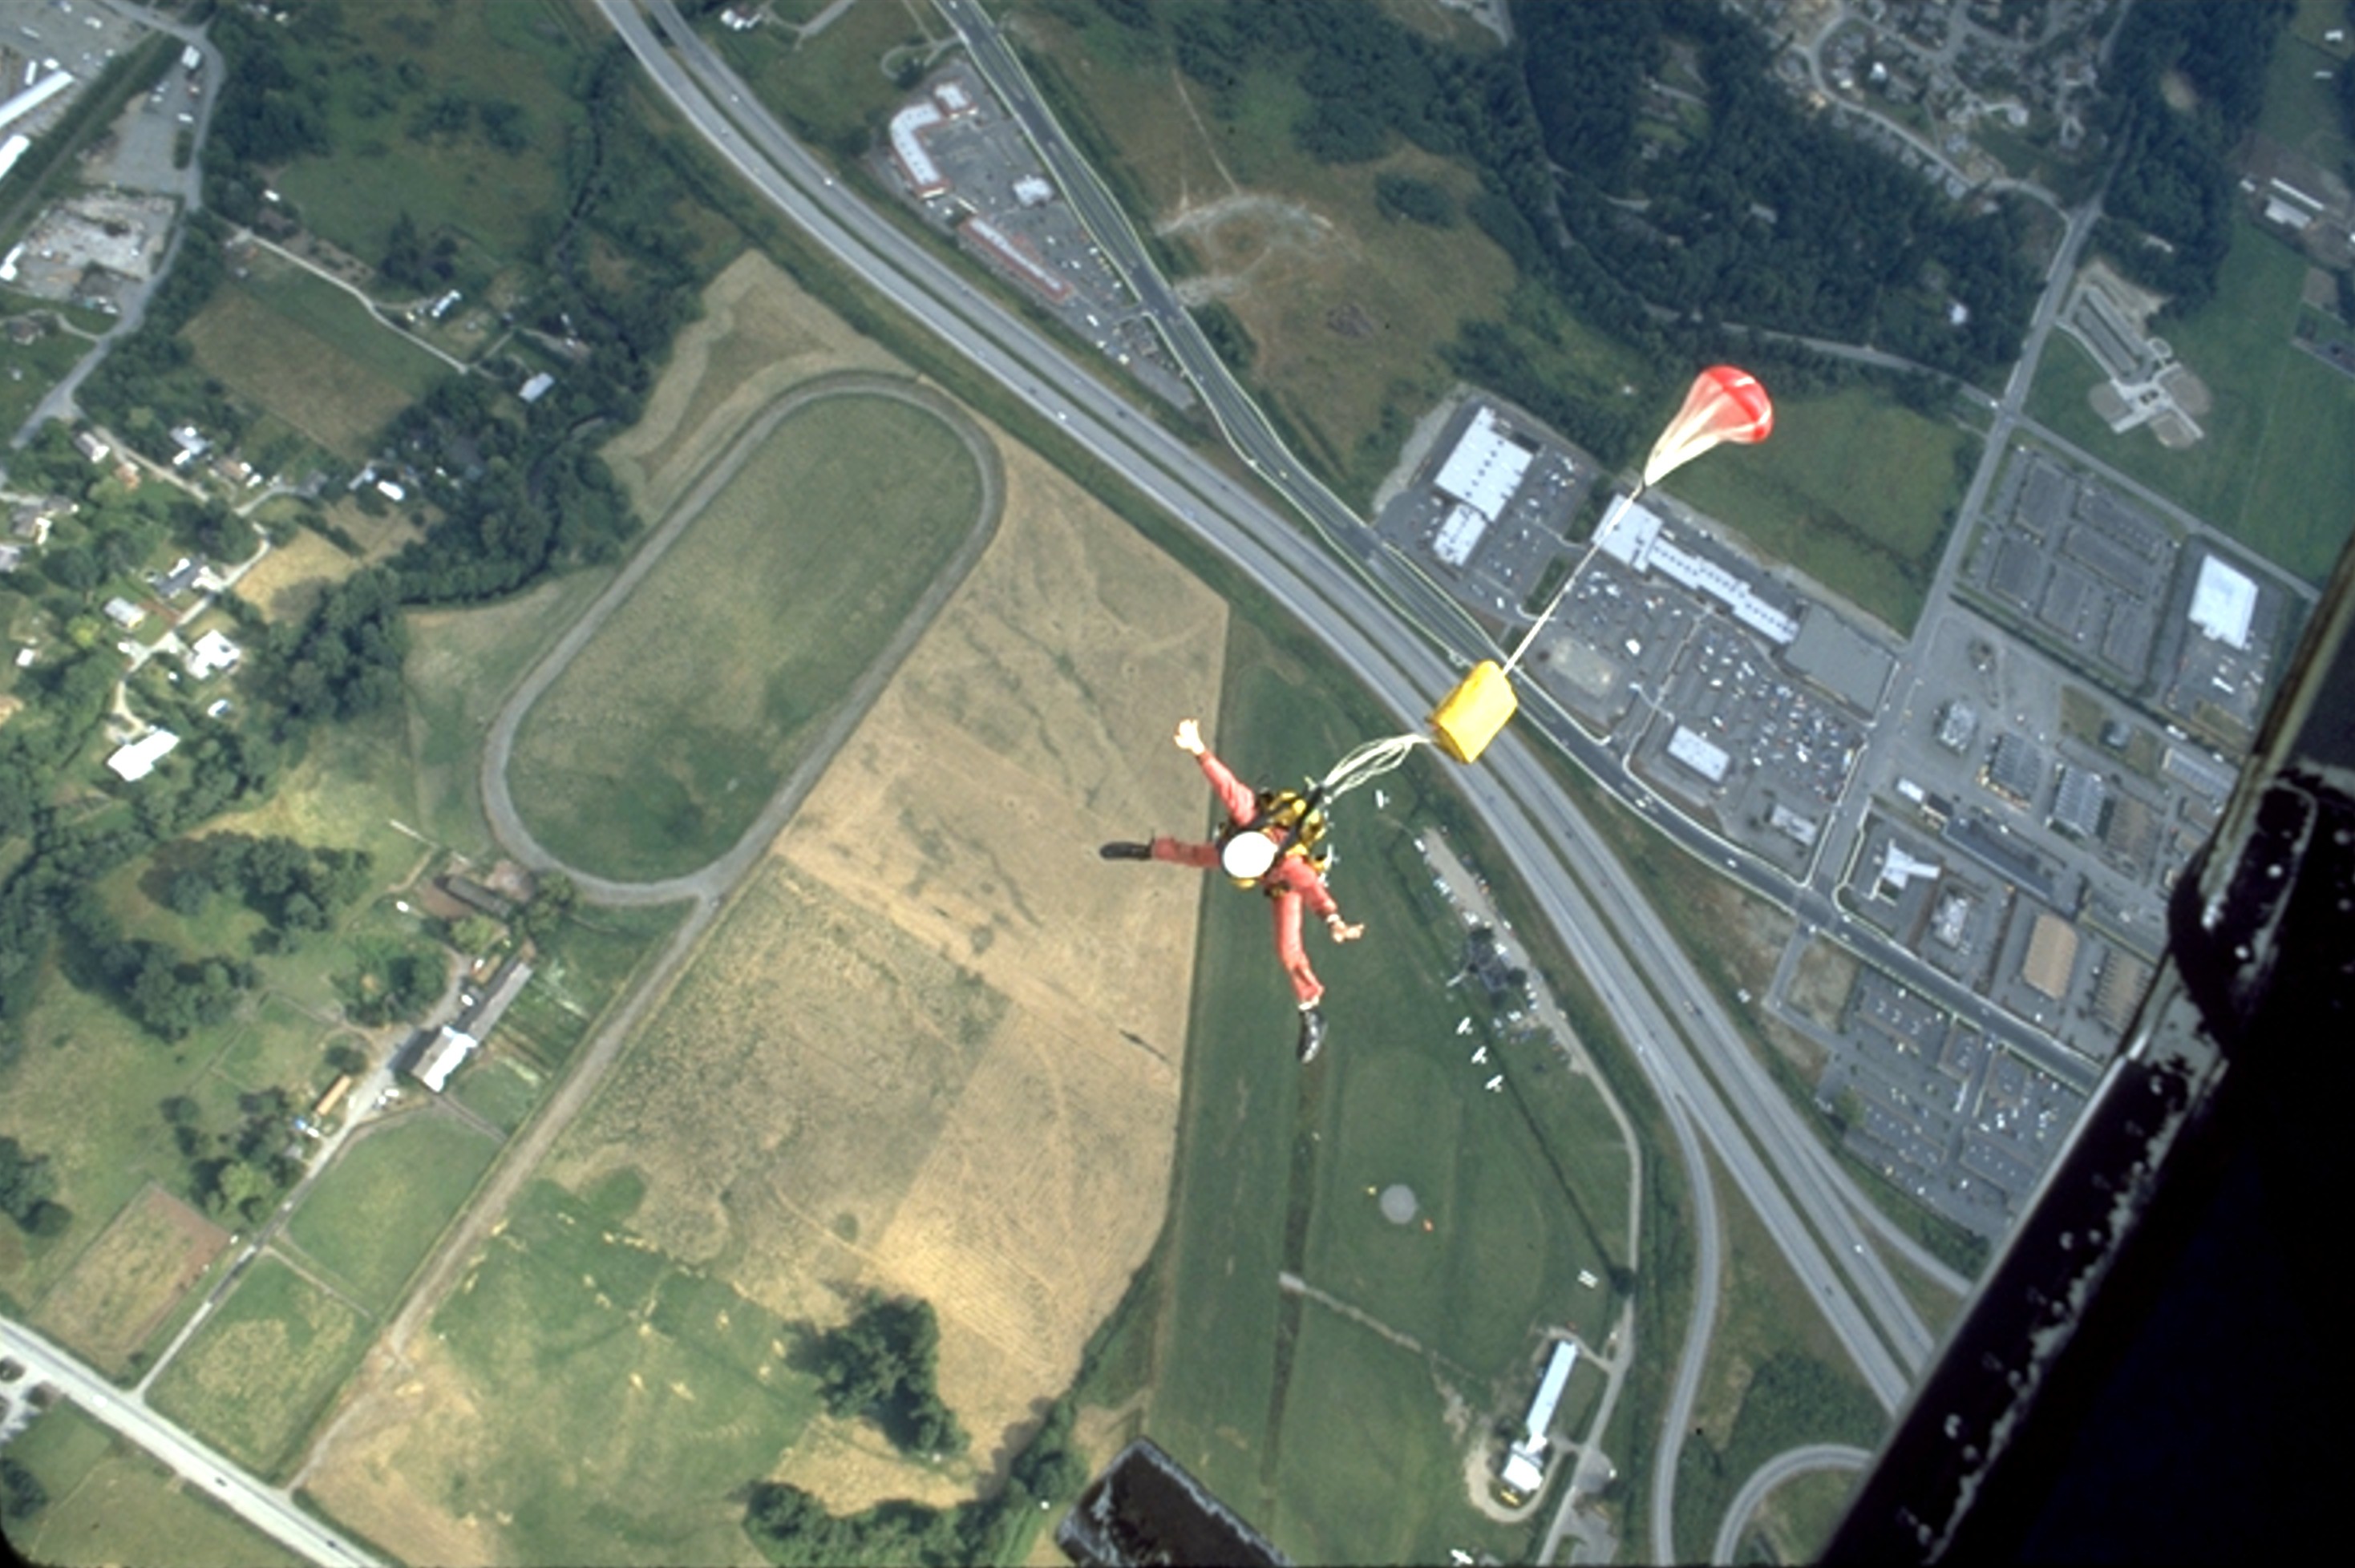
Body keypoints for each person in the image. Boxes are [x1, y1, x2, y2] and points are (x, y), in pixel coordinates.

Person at [1101, 718, 1365, 1062]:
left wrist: (1333, 920)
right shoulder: (1248, 818)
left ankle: (1311, 1010)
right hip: (1240, 853)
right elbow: (1227, 786)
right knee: (1193, 855)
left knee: (1288, 950)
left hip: (1281, 884)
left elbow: (1312, 889)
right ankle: (1147, 851)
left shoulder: (1290, 867)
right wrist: (1197, 748)